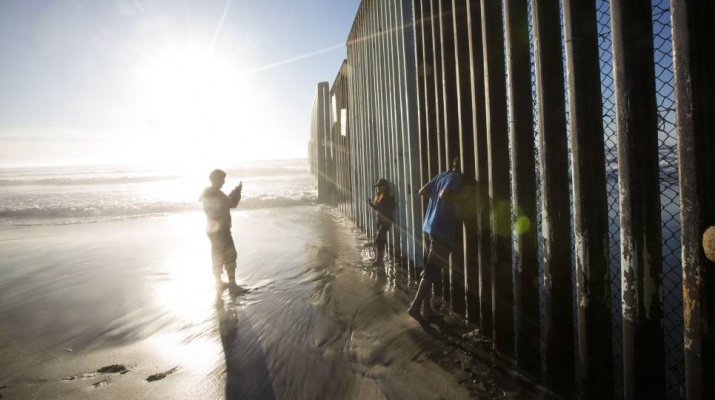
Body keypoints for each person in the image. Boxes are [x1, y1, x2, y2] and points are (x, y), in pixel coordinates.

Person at [408, 157, 464, 320]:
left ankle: (426, 308)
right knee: (432, 270)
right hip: (442, 230)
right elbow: (445, 194)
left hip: (428, 228)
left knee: (428, 269)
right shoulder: (456, 177)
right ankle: (415, 307)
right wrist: (462, 200)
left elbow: (422, 191)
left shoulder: (441, 175)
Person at [200, 169, 242, 289]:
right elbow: (231, 204)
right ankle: (233, 285)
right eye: (222, 179)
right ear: (216, 179)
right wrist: (237, 192)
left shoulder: (209, 192)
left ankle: (219, 282)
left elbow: (225, 202)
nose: (223, 182)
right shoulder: (215, 193)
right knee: (230, 255)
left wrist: (234, 193)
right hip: (221, 230)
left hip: (213, 230)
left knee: (217, 254)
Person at [368, 178, 395, 265]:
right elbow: (377, 208)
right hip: (380, 221)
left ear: (385, 186)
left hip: (386, 221)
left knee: (379, 240)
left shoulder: (388, 196)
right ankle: (379, 260)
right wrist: (371, 204)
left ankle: (379, 260)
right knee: (381, 241)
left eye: (380, 186)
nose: (378, 188)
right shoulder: (379, 195)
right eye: (378, 186)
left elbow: (392, 207)